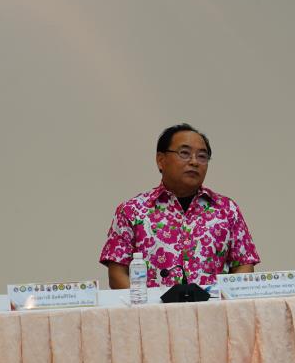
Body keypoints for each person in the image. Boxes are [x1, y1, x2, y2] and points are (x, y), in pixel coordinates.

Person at [101, 123, 259, 289]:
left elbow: (243, 265)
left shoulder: (227, 210)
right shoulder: (132, 211)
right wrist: (145, 304)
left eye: (202, 156)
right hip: (152, 306)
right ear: (161, 160)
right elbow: (117, 273)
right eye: (184, 153)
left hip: (214, 305)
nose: (194, 162)